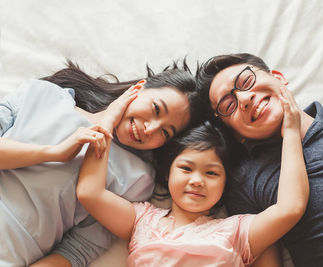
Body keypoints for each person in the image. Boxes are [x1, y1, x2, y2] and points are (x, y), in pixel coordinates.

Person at [196, 53, 323, 266]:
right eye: (229, 105)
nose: (245, 99)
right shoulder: (246, 181)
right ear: (237, 134)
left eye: (247, 81)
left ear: (278, 77)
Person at [75, 84, 309, 267]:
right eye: (186, 168)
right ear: (167, 173)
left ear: (225, 182)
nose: (197, 180)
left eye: (211, 173)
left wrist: (290, 133)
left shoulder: (237, 231)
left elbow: (290, 208)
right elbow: (89, 192)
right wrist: (107, 122)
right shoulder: (141, 220)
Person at [0, 60, 202, 267]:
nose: (150, 128)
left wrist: (105, 127)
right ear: (139, 88)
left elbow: (78, 250)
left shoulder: (137, 179)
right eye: (156, 109)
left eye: (165, 132)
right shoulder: (45, 94)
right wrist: (54, 153)